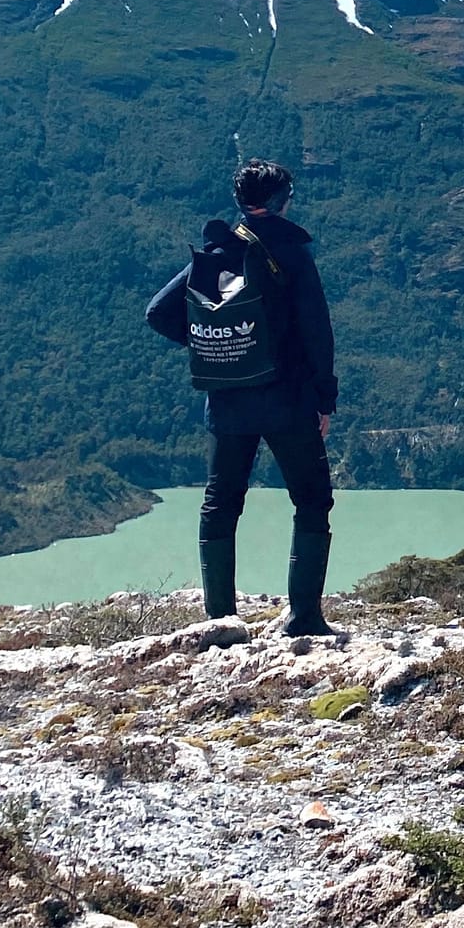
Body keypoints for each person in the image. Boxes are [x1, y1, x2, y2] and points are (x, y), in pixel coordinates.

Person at [146, 158, 339, 637]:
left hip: (227, 402)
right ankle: (304, 618)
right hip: (289, 401)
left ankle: (219, 621)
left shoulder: (218, 251)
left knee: (221, 502)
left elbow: (158, 313)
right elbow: (318, 332)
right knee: (312, 499)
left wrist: (221, 344)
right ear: (283, 199)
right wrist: (325, 398)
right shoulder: (292, 253)